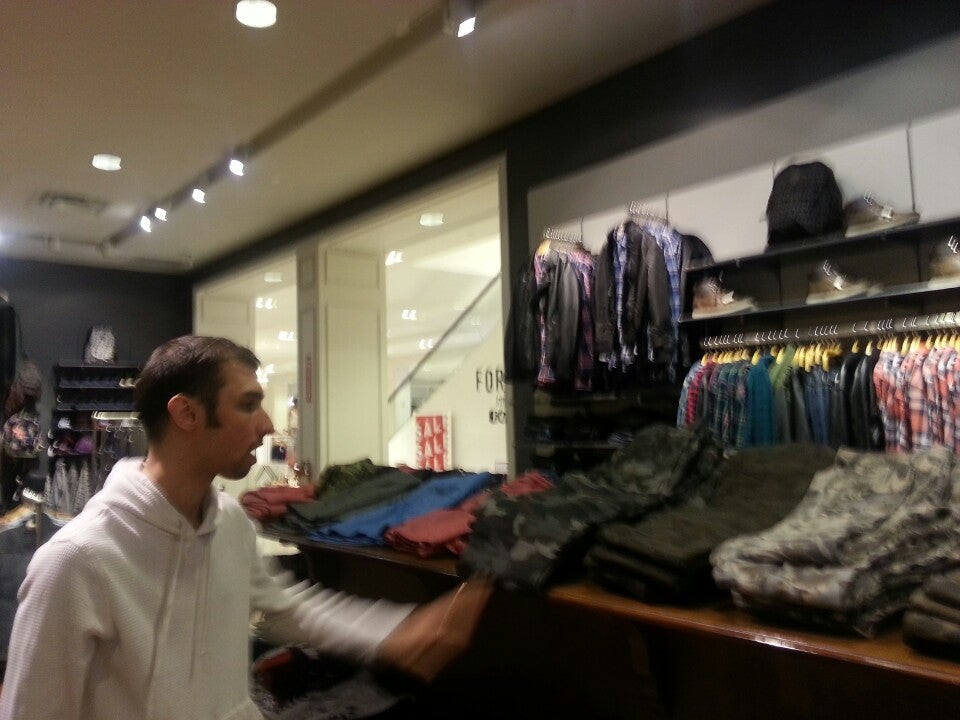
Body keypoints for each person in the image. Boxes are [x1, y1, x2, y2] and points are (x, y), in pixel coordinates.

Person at [0, 335, 491, 720]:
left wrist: (396, 634)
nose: (268, 425)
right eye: (248, 404)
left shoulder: (229, 522)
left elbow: (285, 610)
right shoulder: (77, 561)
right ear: (186, 413)